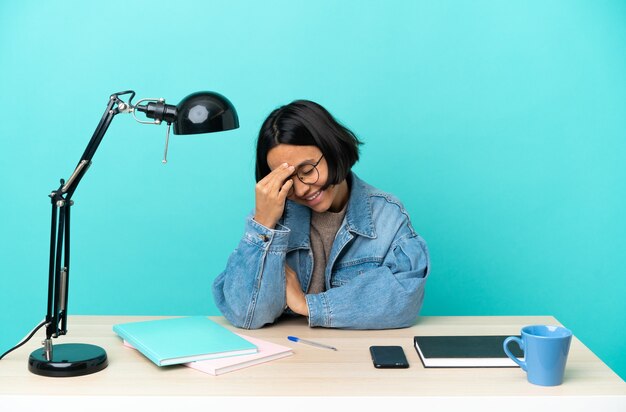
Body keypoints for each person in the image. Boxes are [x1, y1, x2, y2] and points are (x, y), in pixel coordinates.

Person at [213, 100, 429, 329]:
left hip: (356, 353)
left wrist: (307, 305)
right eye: (286, 180)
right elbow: (243, 314)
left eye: (307, 171)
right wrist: (262, 224)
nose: (302, 189)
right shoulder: (274, 217)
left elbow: (405, 299)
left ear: (333, 149)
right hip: (289, 354)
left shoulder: (387, 215)